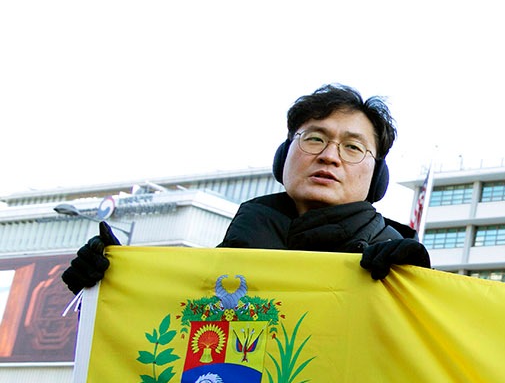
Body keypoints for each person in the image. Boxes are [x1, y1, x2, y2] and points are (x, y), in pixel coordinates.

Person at [60, 84, 426, 293]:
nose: (330, 156)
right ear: (283, 156)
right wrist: (107, 289)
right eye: (315, 139)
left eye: (352, 147)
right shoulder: (228, 259)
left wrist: (418, 288)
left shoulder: (396, 262)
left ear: (377, 177)